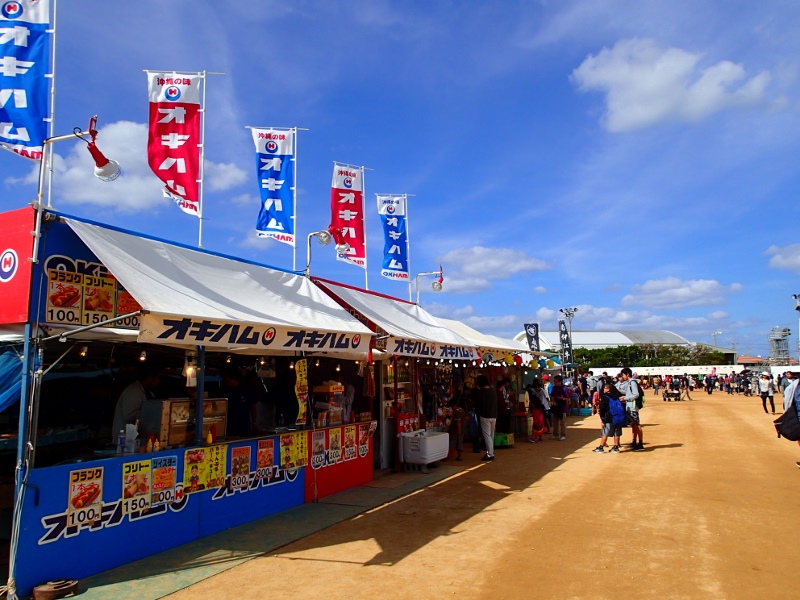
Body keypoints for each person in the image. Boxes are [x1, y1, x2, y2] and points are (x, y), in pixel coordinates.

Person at [111, 363, 161, 437]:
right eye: (158, 378)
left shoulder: (148, 392)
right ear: (150, 378)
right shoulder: (133, 391)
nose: (158, 381)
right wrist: (151, 413)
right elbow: (129, 416)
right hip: (125, 439)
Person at [218, 366, 259, 437]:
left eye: (225, 379)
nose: (223, 381)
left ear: (232, 378)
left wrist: (254, 423)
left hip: (244, 426)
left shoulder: (246, 389)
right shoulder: (223, 389)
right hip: (228, 426)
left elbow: (253, 406)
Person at [616, 367, 644, 451]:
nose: (622, 376)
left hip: (632, 407)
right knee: (633, 425)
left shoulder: (632, 382)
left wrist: (626, 398)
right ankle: (634, 442)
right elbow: (629, 393)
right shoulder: (630, 382)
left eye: (623, 375)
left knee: (637, 425)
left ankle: (640, 443)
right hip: (630, 406)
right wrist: (624, 396)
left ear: (627, 374)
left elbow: (636, 394)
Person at [593, 383, 624, 453]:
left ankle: (601, 447)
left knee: (605, 432)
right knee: (617, 432)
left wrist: (602, 418)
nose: (603, 389)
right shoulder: (617, 396)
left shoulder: (604, 397)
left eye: (605, 388)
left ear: (608, 389)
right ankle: (616, 447)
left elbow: (602, 408)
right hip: (618, 416)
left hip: (609, 417)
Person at [474, 375, 497, 461]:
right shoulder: (493, 391)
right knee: (491, 435)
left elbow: (478, 405)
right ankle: (491, 452)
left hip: (485, 416)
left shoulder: (481, 392)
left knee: (487, 435)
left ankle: (490, 454)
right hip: (493, 415)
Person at [549, 374, 569, 440]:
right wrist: (553, 401)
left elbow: (568, 398)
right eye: (554, 381)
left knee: (562, 422)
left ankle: (563, 435)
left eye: (556, 381)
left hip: (562, 407)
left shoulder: (564, 389)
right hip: (555, 407)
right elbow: (552, 396)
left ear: (560, 382)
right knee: (555, 421)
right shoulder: (554, 388)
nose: (554, 383)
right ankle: (555, 434)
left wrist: (562, 398)